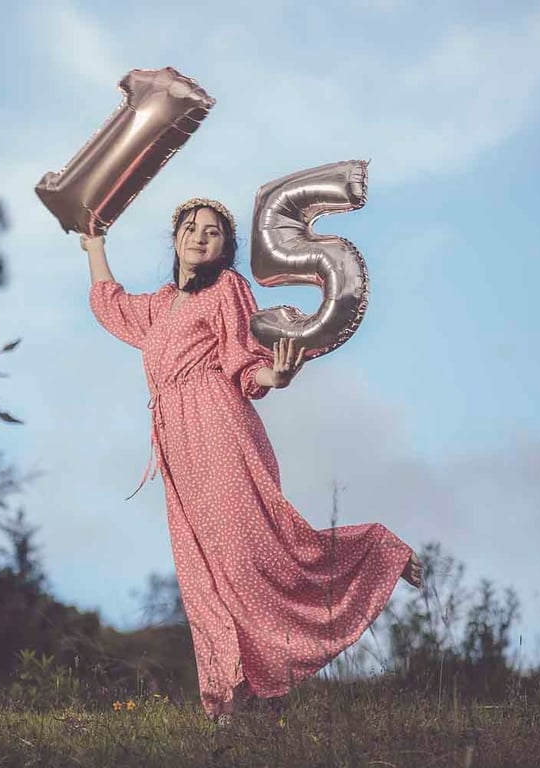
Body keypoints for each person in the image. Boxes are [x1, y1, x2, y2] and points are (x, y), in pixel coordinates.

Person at [83, 198, 423, 725]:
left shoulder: (226, 290)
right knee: (203, 577)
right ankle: (234, 699)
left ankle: (376, 552)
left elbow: (244, 365)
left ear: (226, 248)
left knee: (252, 557)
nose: (199, 237)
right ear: (174, 238)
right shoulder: (160, 307)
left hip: (219, 430)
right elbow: (110, 303)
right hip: (178, 448)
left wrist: (276, 377)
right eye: (190, 228)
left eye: (213, 232)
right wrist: (95, 245)